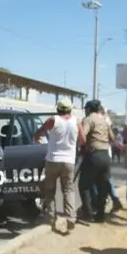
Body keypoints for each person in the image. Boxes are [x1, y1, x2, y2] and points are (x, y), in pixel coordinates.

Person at [34, 99, 86, 233]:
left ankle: (51, 216)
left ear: (58, 108)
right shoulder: (76, 121)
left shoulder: (53, 120)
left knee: (50, 189)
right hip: (69, 161)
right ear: (70, 109)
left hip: (52, 160)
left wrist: (37, 138)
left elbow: (40, 131)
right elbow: (83, 140)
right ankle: (70, 217)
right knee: (68, 189)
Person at [78, 100, 114, 222]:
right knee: (102, 187)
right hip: (105, 155)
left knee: (84, 185)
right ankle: (100, 215)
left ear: (89, 109)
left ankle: (87, 214)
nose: (85, 110)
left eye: (85, 108)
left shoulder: (88, 119)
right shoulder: (104, 120)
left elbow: (83, 136)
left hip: (93, 155)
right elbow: (112, 137)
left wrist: (82, 146)